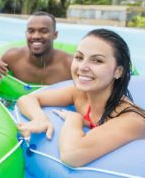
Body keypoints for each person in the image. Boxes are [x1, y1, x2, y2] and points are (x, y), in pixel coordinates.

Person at [17, 28, 145, 167]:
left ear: (118, 71)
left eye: (97, 61)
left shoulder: (131, 120)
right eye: (79, 57)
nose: (83, 67)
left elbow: (71, 155)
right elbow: (26, 99)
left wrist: (74, 119)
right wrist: (40, 119)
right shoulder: (79, 95)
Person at [0, 11, 73, 87]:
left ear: (55, 35)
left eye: (43, 31)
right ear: (26, 34)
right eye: (31, 31)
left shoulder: (69, 65)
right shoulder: (12, 58)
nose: (36, 36)